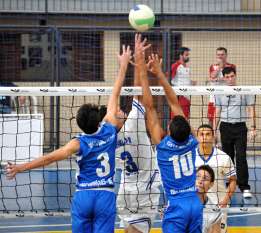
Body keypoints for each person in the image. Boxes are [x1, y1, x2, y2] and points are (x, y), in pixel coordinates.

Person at [6, 45, 132, 233]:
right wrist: (123, 65)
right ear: (99, 119)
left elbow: (48, 159)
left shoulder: (77, 143)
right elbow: (115, 92)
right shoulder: (109, 131)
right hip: (105, 195)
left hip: (84, 197)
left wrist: (19, 168)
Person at [140, 50, 203, 232]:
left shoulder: (162, 145)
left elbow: (149, 106)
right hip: (195, 204)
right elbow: (175, 103)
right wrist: (160, 73)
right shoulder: (193, 141)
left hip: (176, 208)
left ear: (168, 131)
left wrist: (145, 72)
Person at [116, 34, 161, 233]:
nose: (119, 110)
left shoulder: (107, 137)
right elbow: (139, 93)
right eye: (117, 112)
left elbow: (128, 95)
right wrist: (139, 60)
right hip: (145, 191)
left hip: (124, 192)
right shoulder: (132, 123)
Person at [213, 66, 257, 199]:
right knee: (227, 158)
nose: (230, 79)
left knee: (241, 157)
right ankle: (228, 185)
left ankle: (244, 187)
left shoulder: (244, 91)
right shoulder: (219, 92)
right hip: (225, 127)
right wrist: (214, 130)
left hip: (240, 128)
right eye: (227, 77)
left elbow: (250, 109)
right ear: (224, 78)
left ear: (235, 76)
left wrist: (253, 127)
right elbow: (217, 111)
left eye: (232, 76)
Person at [195, 124, 236, 233]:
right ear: (197, 137)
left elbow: (233, 180)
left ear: (213, 137)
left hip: (218, 205)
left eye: (208, 134)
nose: (204, 137)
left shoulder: (223, 157)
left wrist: (226, 199)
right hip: (196, 206)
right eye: (201, 134)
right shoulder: (191, 157)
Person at [207, 47, 236, 126]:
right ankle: (211, 137)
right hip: (214, 98)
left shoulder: (231, 66)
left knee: (225, 119)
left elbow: (230, 79)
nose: (220, 56)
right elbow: (212, 76)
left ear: (226, 55)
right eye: (218, 55)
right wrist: (220, 67)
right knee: (211, 120)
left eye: (222, 54)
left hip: (226, 98)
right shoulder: (213, 66)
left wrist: (217, 79)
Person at [170, 46, 196, 119]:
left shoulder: (186, 67)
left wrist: (191, 83)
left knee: (186, 119)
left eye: (188, 55)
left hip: (187, 97)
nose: (188, 57)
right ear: (181, 56)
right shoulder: (176, 66)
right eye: (186, 55)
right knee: (177, 119)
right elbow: (168, 78)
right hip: (180, 97)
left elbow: (182, 81)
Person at [196, 165, 222, 233]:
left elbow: (215, 231)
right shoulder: (181, 202)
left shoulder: (215, 211)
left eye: (205, 178)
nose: (200, 181)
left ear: (211, 184)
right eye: (197, 177)